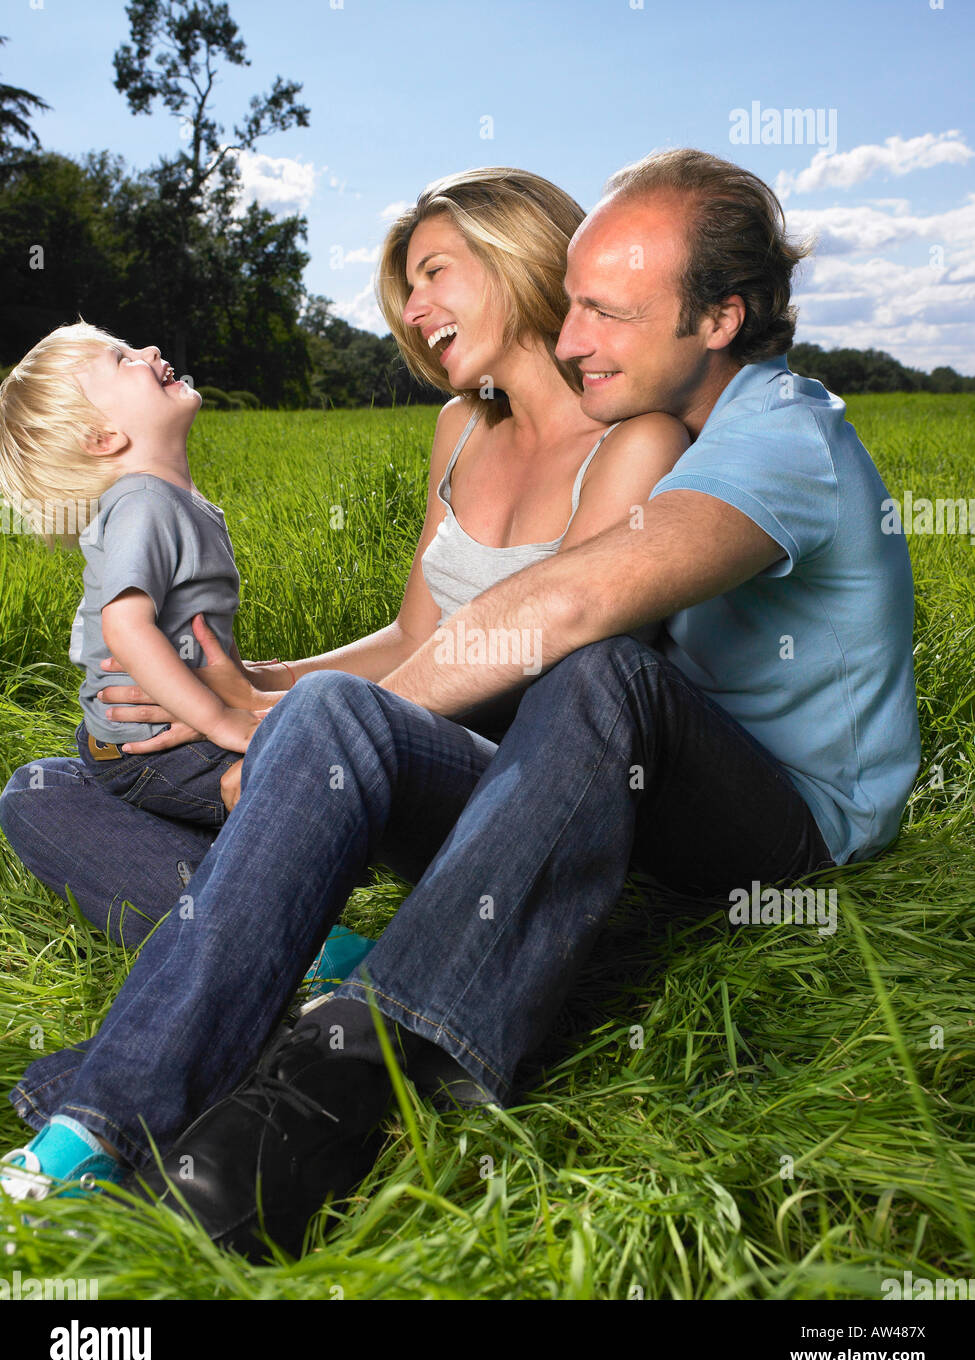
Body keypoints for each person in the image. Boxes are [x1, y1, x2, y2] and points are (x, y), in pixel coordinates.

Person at [0, 167, 689, 1214]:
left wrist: (285, 728)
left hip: (519, 791)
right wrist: (250, 685)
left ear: (518, 255)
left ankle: (103, 1115)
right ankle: (305, 950)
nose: (414, 310)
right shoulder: (461, 429)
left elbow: (569, 668)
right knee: (41, 787)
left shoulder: (636, 445)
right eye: (405, 289)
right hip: (406, 750)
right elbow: (416, 636)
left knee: (319, 726)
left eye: (434, 274)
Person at [0, 323, 280, 834]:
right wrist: (219, 720)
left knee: (301, 737)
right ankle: (234, 818)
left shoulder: (166, 501)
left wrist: (236, 676)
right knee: (287, 770)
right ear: (104, 438)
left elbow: (193, 617)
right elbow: (124, 628)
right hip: (150, 742)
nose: (149, 351)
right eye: (122, 359)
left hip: (141, 731)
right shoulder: (144, 502)